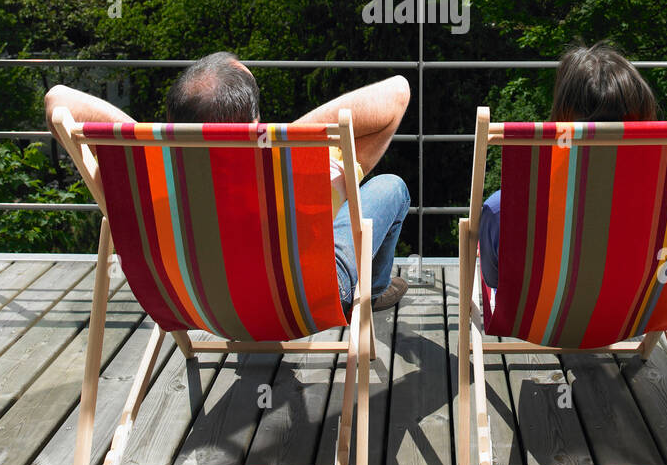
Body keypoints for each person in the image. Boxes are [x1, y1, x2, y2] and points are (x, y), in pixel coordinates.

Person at [44, 53, 412, 314]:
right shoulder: (297, 174)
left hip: (195, 302)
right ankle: (375, 290)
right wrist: (285, 136)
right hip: (305, 298)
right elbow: (397, 91)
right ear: (254, 123)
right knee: (392, 187)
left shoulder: (154, 183)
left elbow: (57, 99)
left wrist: (149, 139)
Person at [478, 41, 659, 294]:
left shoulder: (507, 210)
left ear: (561, 123)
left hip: (546, 323)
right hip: (640, 313)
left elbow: (494, 279)